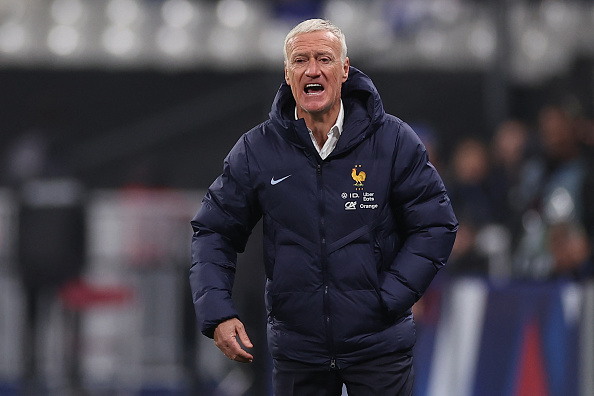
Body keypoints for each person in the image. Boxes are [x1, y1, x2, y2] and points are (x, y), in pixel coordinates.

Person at [189, 19, 458, 396]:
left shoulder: (393, 141)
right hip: (300, 353)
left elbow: (436, 224)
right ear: (287, 73)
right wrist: (218, 310)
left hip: (379, 347)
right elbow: (213, 230)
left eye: (324, 59)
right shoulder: (257, 150)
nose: (312, 69)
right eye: (300, 60)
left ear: (344, 70)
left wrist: (389, 298)